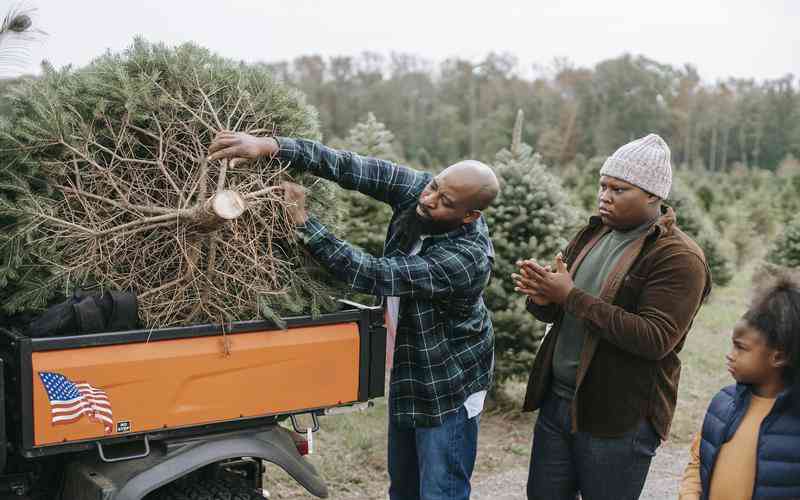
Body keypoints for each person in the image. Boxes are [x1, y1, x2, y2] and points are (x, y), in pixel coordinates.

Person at [207, 132, 499, 500]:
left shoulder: (465, 260)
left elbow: (376, 274)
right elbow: (353, 167)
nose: (428, 198)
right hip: (412, 371)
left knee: (441, 490)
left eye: (444, 201)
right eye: (434, 186)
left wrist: (304, 224)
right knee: (404, 487)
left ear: (469, 215)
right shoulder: (425, 191)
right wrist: (271, 146)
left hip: (447, 383)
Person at [512, 133, 712, 500]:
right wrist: (543, 295)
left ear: (653, 194)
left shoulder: (678, 258)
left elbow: (654, 338)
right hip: (558, 404)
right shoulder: (593, 234)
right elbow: (561, 310)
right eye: (603, 185)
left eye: (619, 189)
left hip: (619, 418)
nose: (604, 196)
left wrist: (570, 295)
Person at [678, 274, 800, 500]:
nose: (730, 355)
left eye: (740, 348)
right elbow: (698, 462)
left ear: (779, 356)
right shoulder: (722, 404)